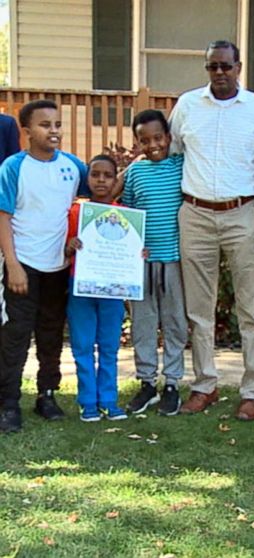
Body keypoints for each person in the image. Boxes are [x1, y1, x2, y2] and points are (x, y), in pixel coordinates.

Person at [168, 40, 254, 421]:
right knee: (199, 309)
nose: (219, 73)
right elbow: (176, 151)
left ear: (239, 67)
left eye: (226, 66)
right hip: (195, 213)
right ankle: (204, 384)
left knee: (251, 308)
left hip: (241, 212)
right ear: (206, 68)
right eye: (213, 66)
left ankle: (252, 390)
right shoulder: (187, 106)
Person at [0, 100, 88, 432]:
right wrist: (13, 265)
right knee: (14, 336)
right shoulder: (13, 167)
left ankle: (46, 394)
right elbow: (3, 217)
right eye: (44, 125)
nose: (53, 131)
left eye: (57, 124)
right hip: (23, 265)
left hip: (59, 266)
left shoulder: (72, 166)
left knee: (51, 334)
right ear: (26, 132)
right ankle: (8, 403)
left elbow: (98, 193)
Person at [121, 109, 188, 417]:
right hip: (144, 262)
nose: (152, 145)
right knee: (144, 325)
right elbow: (130, 213)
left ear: (169, 138)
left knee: (175, 323)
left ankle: (172, 383)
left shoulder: (181, 166)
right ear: (137, 143)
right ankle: (147, 382)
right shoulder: (136, 172)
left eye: (158, 138)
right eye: (144, 140)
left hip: (174, 260)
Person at [64, 156, 129, 422]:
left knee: (109, 346)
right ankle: (88, 401)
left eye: (107, 175)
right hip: (80, 286)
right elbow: (64, 248)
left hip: (112, 290)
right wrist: (70, 245)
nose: (101, 180)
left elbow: (129, 250)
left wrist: (138, 253)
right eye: (95, 175)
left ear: (115, 181)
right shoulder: (76, 212)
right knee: (82, 345)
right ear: (87, 179)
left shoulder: (125, 216)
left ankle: (110, 400)